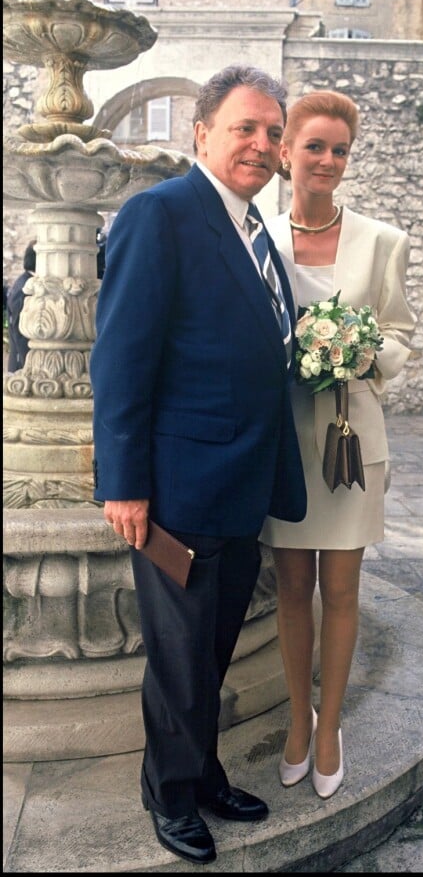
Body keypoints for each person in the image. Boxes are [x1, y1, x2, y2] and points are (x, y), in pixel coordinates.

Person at [89, 64, 307, 865]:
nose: (261, 143)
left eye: (271, 133)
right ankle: (171, 793)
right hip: (178, 485)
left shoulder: (253, 229)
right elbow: (121, 358)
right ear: (202, 132)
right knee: (181, 657)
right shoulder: (161, 214)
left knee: (210, 649)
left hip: (238, 483)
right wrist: (124, 483)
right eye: (245, 127)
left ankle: (202, 769)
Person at [260, 90, 417, 799]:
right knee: (292, 587)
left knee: (343, 587)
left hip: (351, 439)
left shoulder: (383, 241)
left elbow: (401, 334)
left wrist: (359, 353)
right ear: (285, 150)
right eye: (314, 146)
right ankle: (298, 718)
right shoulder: (253, 230)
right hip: (281, 436)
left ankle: (331, 728)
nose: (327, 160)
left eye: (340, 149)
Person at [6, 239, 36, 373]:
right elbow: (20, 333)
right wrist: (29, 367)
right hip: (22, 366)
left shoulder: (26, 283)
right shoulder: (24, 288)